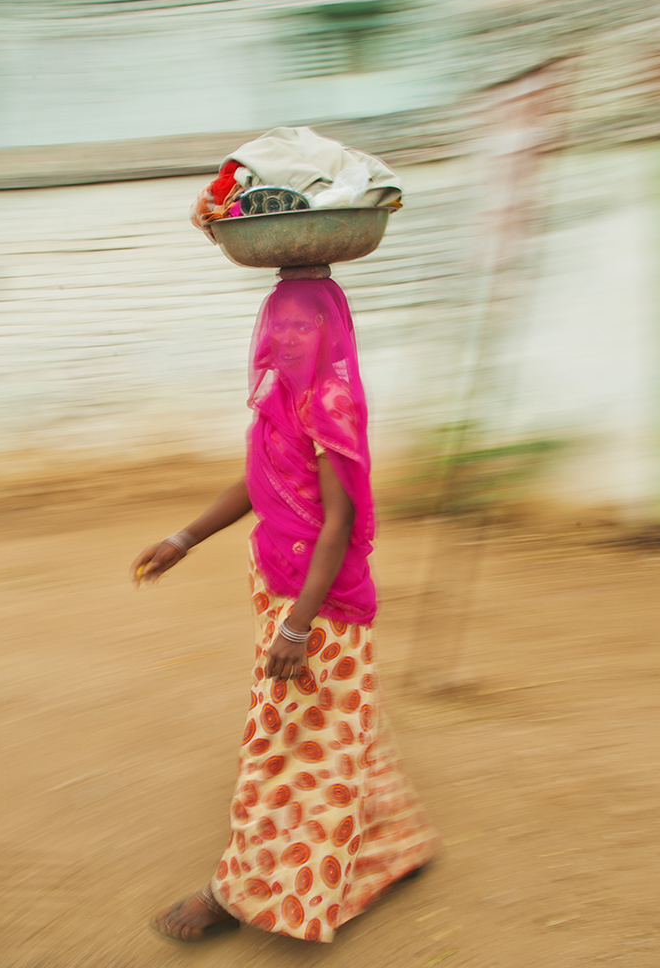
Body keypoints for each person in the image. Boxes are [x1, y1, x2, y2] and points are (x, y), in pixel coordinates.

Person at [132, 277, 438, 943]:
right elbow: (258, 477)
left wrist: (298, 626)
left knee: (281, 745)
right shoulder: (281, 393)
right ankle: (394, 845)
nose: (288, 335)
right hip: (280, 581)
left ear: (328, 333)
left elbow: (338, 522)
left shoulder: (332, 403)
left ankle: (239, 891)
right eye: (281, 323)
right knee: (337, 724)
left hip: (318, 604)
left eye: (304, 324)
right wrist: (184, 539)